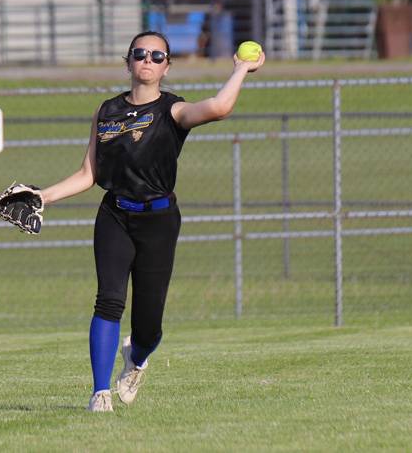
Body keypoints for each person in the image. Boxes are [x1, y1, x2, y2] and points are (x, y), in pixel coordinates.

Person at [38, 31, 265, 412]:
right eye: (140, 53)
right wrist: (42, 196)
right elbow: (87, 175)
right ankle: (100, 392)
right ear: (128, 62)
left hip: (159, 220)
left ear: (167, 67)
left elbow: (220, 107)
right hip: (115, 214)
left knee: (149, 325)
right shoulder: (105, 111)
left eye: (157, 56)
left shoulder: (173, 111)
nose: (147, 59)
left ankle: (137, 357)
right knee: (108, 301)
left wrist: (241, 69)